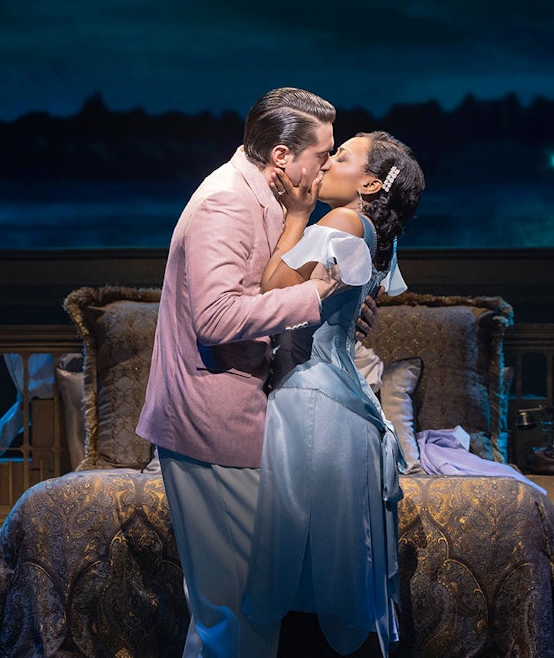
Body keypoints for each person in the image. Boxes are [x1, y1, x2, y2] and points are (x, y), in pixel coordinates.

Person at [136, 87, 353, 658]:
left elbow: (258, 295)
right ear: (282, 156)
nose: (326, 165)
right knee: (234, 610)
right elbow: (216, 316)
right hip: (210, 422)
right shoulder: (226, 201)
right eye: (321, 153)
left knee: (242, 609)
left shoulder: (267, 198)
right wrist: (312, 297)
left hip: (238, 422)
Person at [243, 131, 425, 656]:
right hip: (338, 398)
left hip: (312, 402)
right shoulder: (365, 229)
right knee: (331, 567)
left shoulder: (343, 220)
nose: (325, 164)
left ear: (368, 182)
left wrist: (297, 214)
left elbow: (272, 292)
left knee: (300, 565)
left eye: (340, 157)